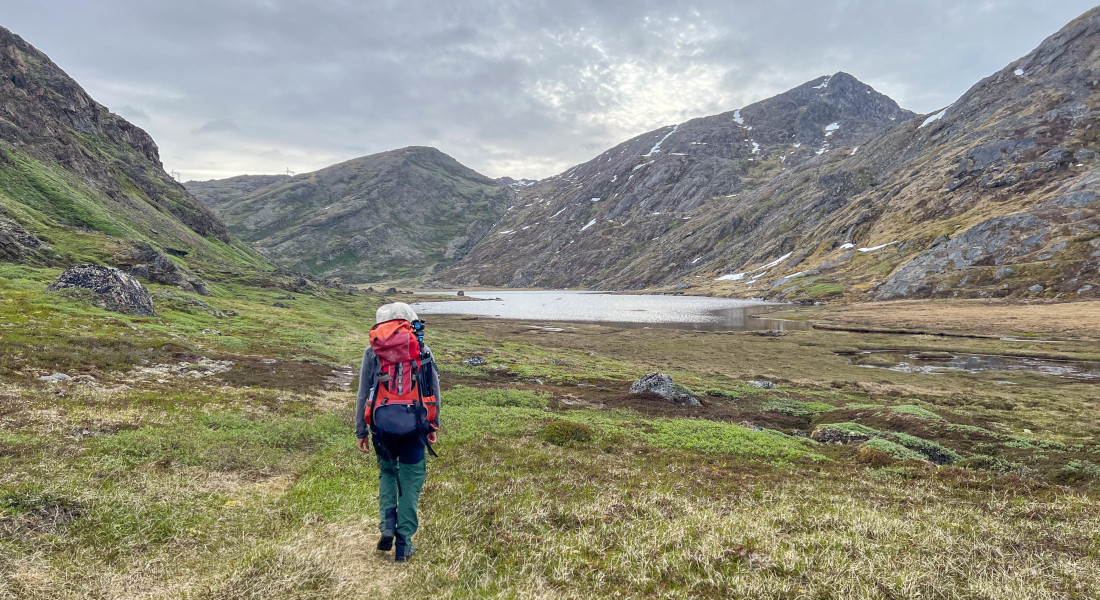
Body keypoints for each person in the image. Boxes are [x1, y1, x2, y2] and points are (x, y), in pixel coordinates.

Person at [355, 302, 440, 562]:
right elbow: (433, 392)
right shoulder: (422, 349)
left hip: (382, 426)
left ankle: (387, 526)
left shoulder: (372, 351)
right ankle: (404, 542)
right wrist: (433, 426)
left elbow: (362, 395)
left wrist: (361, 431)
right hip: (415, 424)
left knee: (388, 473)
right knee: (412, 481)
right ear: (409, 321)